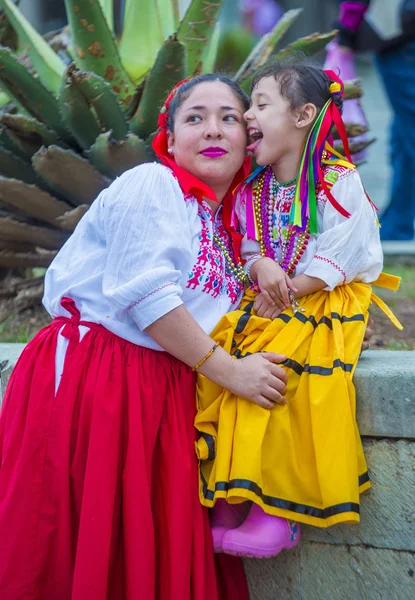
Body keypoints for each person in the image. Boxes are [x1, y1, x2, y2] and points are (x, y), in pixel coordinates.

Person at [0, 74, 290, 600]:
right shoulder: (153, 184)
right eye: (194, 118)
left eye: (229, 117)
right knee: (74, 543)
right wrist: (233, 374)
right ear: (170, 140)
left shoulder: (227, 228)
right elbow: (145, 296)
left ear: (250, 140)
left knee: (147, 548)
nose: (213, 129)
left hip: (166, 387)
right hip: (99, 379)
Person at [194, 63, 402, 559]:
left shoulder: (338, 180)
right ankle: (230, 493)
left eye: (261, 104)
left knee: (282, 376)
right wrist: (261, 264)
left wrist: (289, 286)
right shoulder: (254, 190)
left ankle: (277, 511)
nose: (247, 115)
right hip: (270, 301)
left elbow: (347, 250)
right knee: (224, 363)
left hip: (323, 301)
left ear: (306, 114)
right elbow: (246, 247)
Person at [329, 0, 415, 240]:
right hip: (404, 34)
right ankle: (397, 225)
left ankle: (397, 226)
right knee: (403, 133)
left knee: (409, 130)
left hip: (403, 35)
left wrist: (345, 31)